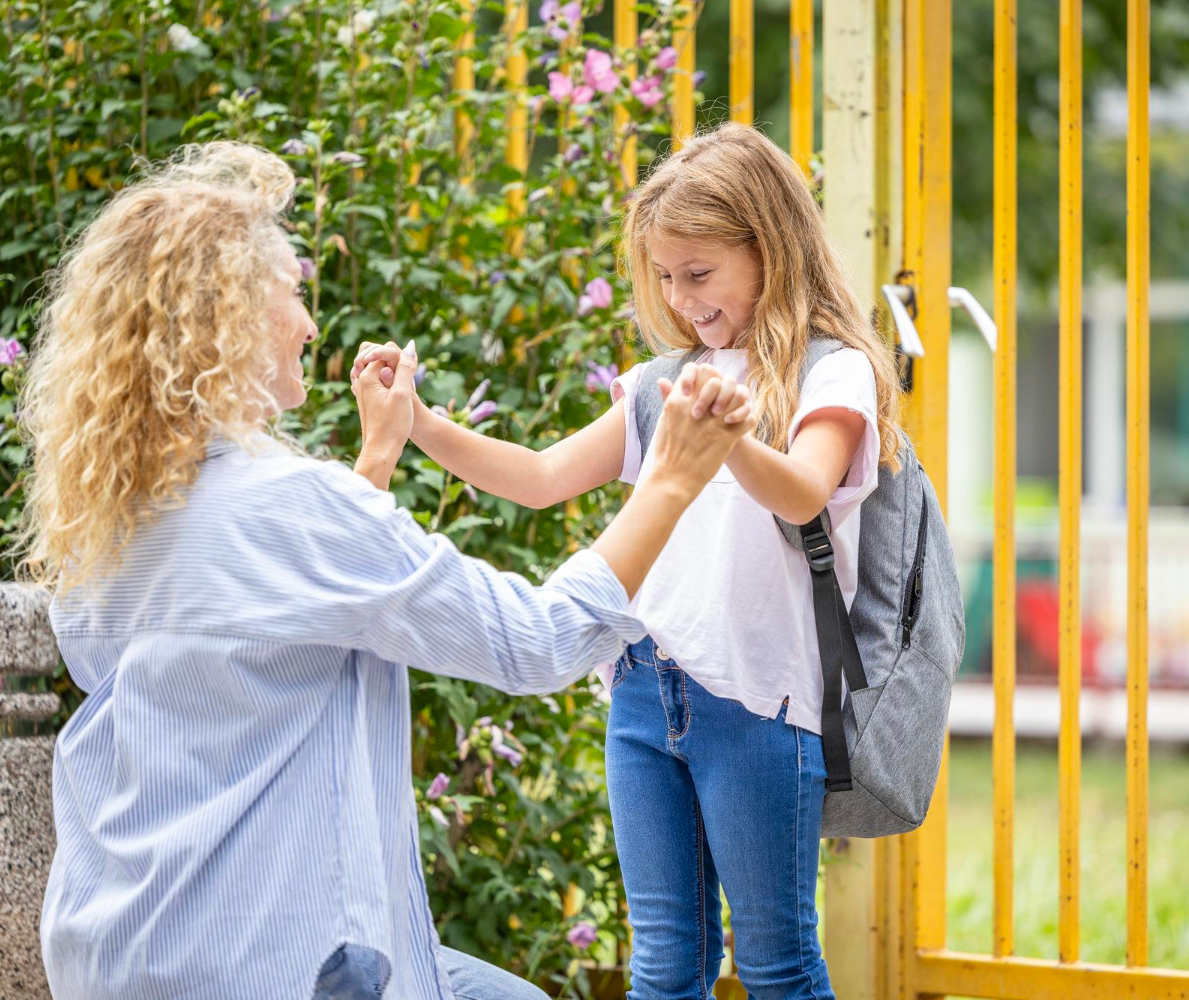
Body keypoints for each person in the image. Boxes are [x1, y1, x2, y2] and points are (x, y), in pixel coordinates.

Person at [19, 141, 753, 1000]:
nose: (308, 321)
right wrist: (669, 480)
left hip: (117, 948)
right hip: (280, 962)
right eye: (293, 292)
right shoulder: (292, 507)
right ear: (230, 316)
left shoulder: (107, 522)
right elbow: (536, 644)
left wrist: (376, 460)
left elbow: (270, 643)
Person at [356, 122, 905, 999]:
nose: (682, 298)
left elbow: (805, 491)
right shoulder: (662, 386)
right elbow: (538, 478)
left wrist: (717, 438)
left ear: (770, 249)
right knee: (663, 961)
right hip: (646, 695)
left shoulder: (828, 372)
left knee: (776, 963)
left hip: (762, 705)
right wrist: (419, 423)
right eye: (664, 276)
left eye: (700, 273)